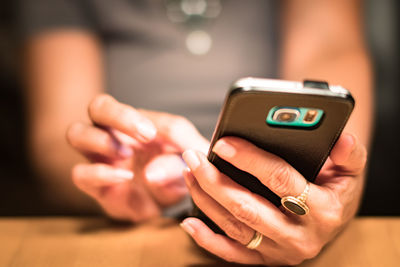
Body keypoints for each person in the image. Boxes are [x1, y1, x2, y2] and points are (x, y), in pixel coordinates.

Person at [18, 0, 372, 265]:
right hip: (132, 226)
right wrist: (117, 170)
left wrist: (331, 187)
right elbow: (56, 137)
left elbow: (330, 57)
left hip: (282, 202)